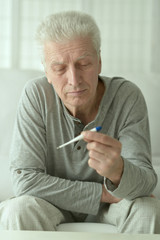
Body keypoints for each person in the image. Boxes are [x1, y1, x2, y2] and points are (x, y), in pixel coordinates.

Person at [0, 11, 160, 233]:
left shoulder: (127, 97)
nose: (74, 80)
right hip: (53, 204)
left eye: (84, 64)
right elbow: (25, 180)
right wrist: (103, 193)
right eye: (59, 68)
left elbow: (146, 182)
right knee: (19, 209)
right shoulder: (36, 95)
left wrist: (118, 171)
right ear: (46, 70)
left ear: (100, 61)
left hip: (110, 209)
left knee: (147, 209)